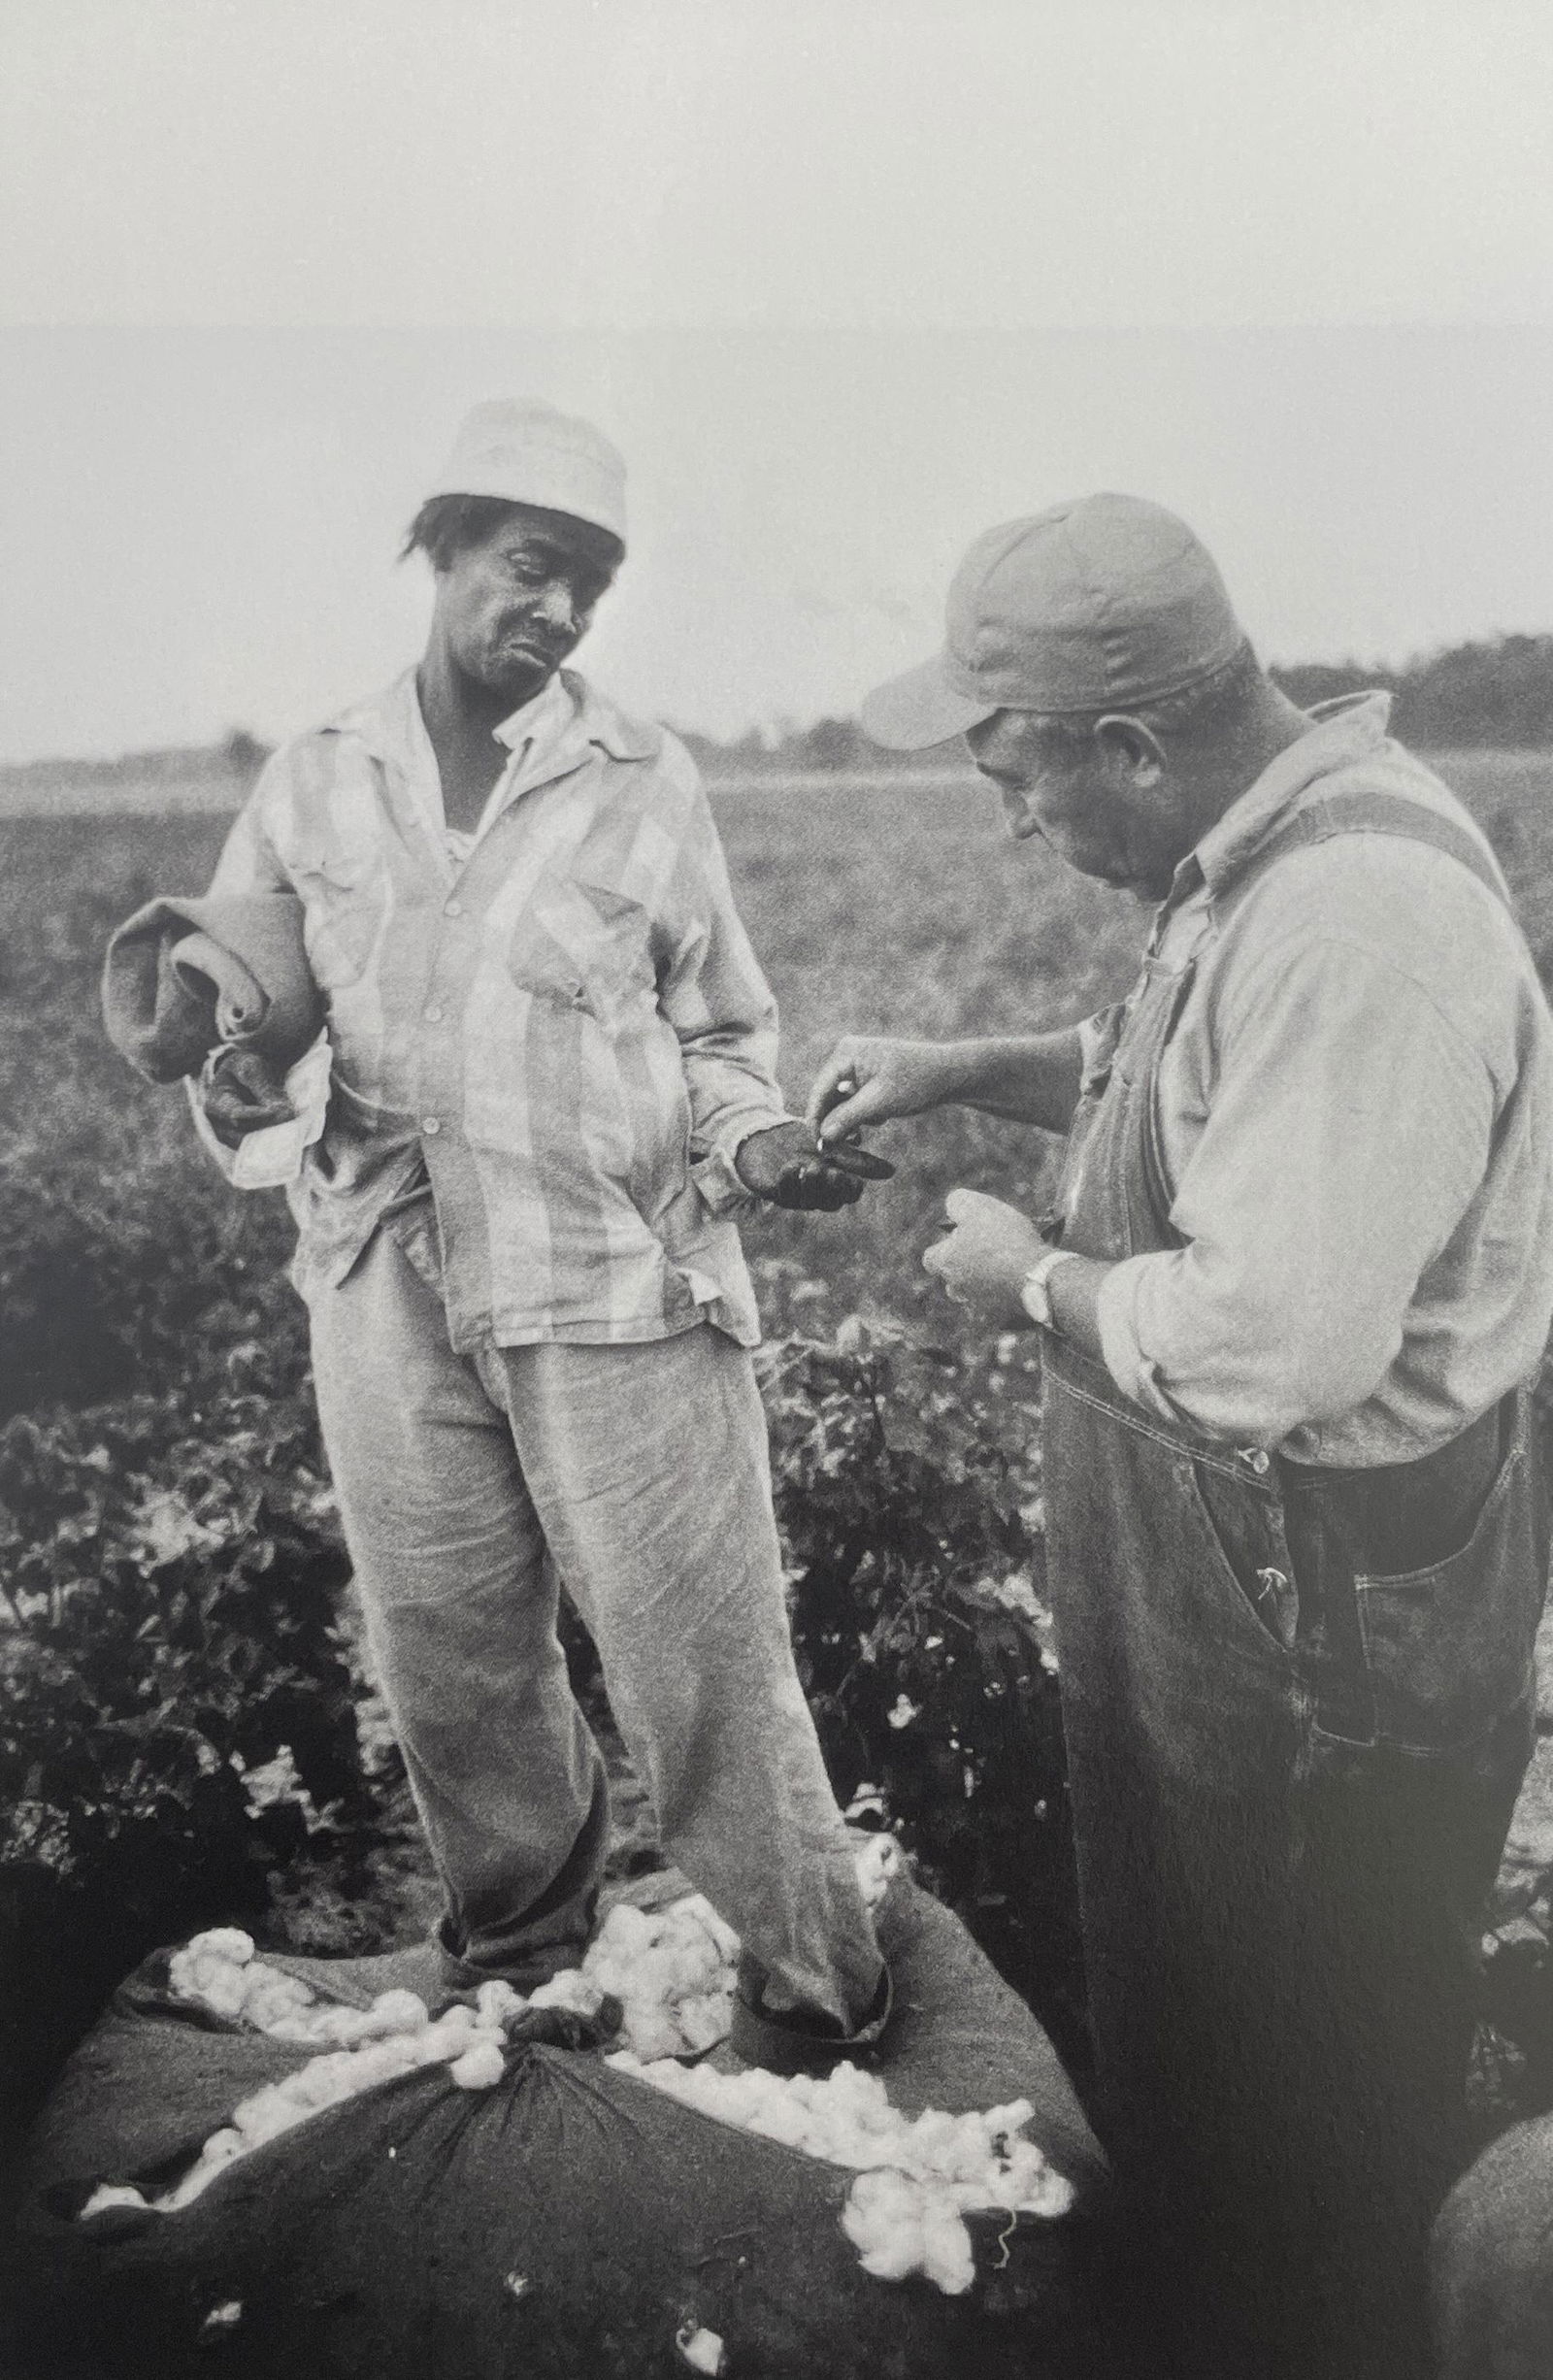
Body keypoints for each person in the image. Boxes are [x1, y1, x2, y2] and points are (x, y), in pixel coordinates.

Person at [808, 492, 1553, 2375]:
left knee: (1301, 2078)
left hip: (1322, 1603)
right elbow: (1205, 1069)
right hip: (1263, 1562)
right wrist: (973, 1068)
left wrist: (1027, 1276)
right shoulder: (1254, 852)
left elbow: (1265, 1344)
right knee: (1215, 2024)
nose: (1009, 819)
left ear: (1129, 741)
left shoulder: (1354, 919)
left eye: (1014, 776)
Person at [194, 398, 892, 2060]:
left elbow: (724, 1031)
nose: (563, 612)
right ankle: (519, 1950)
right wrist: (232, 1085)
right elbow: (242, 1022)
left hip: (609, 1270)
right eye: (531, 568)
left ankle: (818, 1991)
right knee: (448, 1655)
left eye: (592, 581)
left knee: (699, 1657)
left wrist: (767, 1138)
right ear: (437, 551)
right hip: (380, 1268)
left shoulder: (643, 782)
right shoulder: (315, 783)